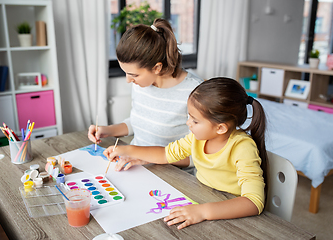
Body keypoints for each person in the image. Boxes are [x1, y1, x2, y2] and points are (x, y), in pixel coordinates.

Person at [104, 77, 268, 230]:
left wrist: (203, 212)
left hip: (233, 214)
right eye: (189, 116)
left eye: (195, 120)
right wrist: (127, 149)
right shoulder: (198, 138)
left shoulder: (243, 147)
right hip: (203, 198)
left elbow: (253, 202)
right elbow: (165, 154)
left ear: (220, 128)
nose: (188, 123)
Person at [88, 18, 203, 170]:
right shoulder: (142, 84)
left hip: (172, 175)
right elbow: (139, 122)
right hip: (135, 165)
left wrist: (142, 155)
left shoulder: (195, 92)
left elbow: (197, 157)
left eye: (133, 75)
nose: (128, 80)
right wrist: (107, 131)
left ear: (156, 68)